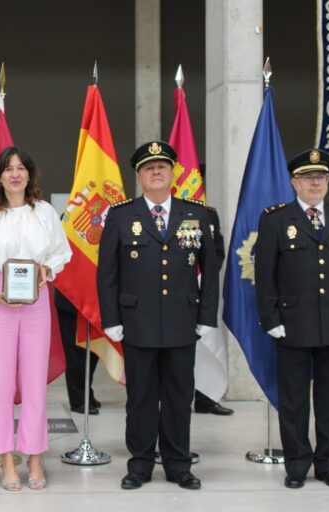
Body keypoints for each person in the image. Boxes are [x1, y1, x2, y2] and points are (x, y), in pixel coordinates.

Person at [97, 141, 219, 490]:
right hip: (137, 323)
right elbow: (107, 274)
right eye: (148, 168)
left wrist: (206, 318)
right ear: (139, 176)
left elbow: (211, 272)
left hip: (183, 321)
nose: (156, 172)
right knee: (141, 398)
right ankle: (140, 465)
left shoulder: (196, 214)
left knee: (180, 397)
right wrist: (112, 319)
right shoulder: (121, 215)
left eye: (162, 167)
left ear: (172, 173)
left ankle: (179, 465)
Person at [0, 146, 72, 491]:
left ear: (30, 174)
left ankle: (36, 456)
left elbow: (62, 251)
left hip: (36, 300)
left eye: (21, 168)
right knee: (1, 383)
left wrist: (48, 269)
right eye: (8, 169)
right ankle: (7, 458)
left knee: (35, 380)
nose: (15, 174)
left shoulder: (44, 213)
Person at [255, 148, 329, 490]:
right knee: (294, 400)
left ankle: (328, 463)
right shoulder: (275, 219)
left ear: (328, 182)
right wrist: (271, 318)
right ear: (294, 182)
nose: (314, 182)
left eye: (320, 177)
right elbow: (265, 274)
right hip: (293, 324)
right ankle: (298, 464)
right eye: (307, 177)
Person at [192, 205, 234, 416]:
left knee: (208, 342)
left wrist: (204, 274)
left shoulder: (208, 214)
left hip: (203, 286)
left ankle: (206, 399)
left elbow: (217, 250)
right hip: (172, 291)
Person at [55, 289, 101, 415]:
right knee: (74, 352)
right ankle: (78, 399)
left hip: (93, 298)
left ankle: (86, 393)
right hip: (70, 296)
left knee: (93, 349)